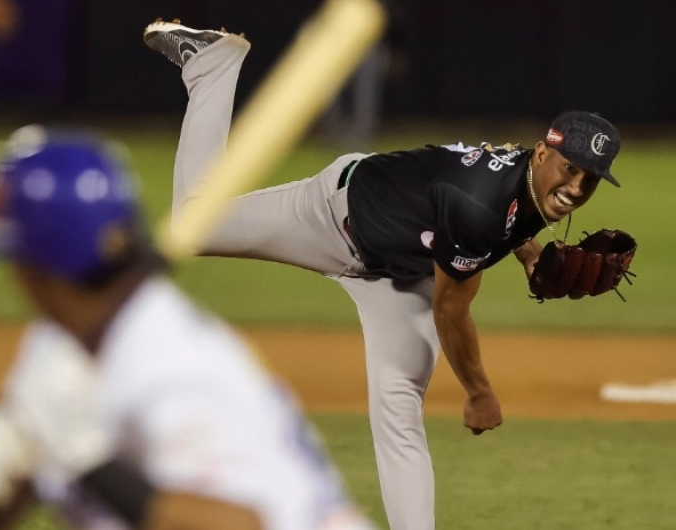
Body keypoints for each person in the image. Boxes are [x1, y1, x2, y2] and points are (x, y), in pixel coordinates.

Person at [143, 19, 623, 530]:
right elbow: (450, 309)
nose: (575, 186)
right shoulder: (479, 204)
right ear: (543, 152)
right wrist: (479, 392)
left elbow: (491, 219)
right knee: (191, 226)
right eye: (569, 168)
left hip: (403, 270)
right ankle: (214, 65)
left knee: (398, 407)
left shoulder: (521, 180)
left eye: (589, 180)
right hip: (331, 218)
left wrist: (529, 255)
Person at [0, 125, 378, 530]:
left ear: (34, 267)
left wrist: (94, 469)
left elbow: (243, 525)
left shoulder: (173, 365)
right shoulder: (57, 345)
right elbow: (18, 479)